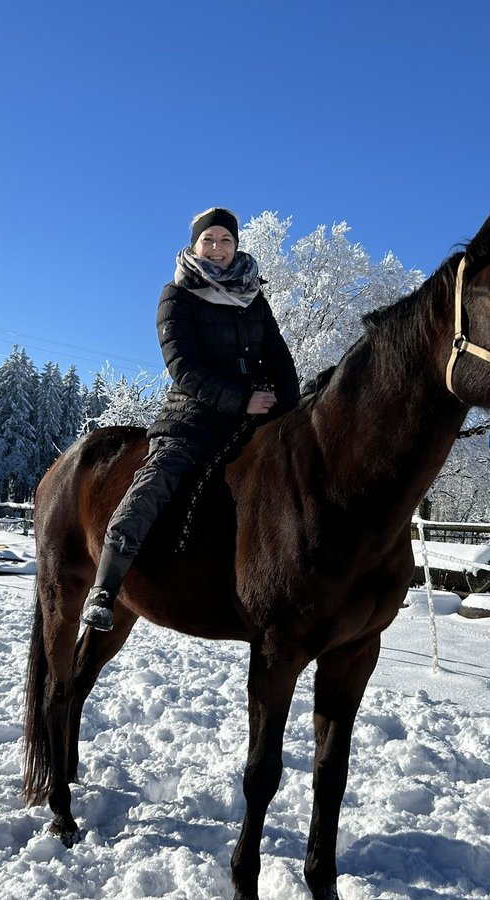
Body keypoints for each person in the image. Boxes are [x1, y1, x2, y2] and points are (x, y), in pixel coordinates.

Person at [81, 207, 300, 631]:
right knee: (158, 478)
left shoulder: (254, 295)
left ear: (236, 246)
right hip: (195, 412)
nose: (217, 249)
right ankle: (105, 588)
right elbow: (183, 366)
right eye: (209, 240)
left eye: (225, 241)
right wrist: (241, 400)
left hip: (259, 411)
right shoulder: (177, 295)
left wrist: (289, 407)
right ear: (195, 244)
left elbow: (279, 358)